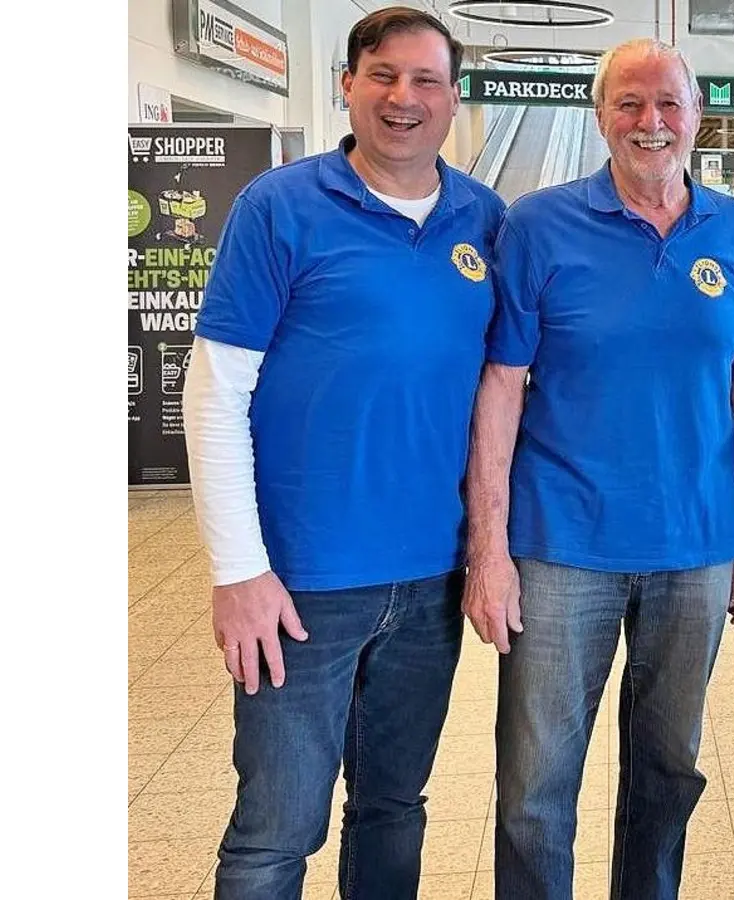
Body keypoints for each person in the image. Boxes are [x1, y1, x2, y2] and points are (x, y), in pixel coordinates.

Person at [181, 7, 505, 898]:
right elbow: (213, 392)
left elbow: (501, 392)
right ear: (348, 86)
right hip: (300, 585)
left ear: (453, 97)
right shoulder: (280, 206)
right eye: (385, 77)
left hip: (432, 579)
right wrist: (238, 568)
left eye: (427, 80)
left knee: (394, 809)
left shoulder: (484, 219)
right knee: (275, 832)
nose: (405, 98)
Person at [461, 38, 734, 900]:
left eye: (668, 104)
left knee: (668, 773)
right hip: (562, 546)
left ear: (698, 114)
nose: (651, 122)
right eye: (630, 104)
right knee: (535, 785)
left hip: (697, 547)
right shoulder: (538, 225)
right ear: (600, 116)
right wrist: (488, 552)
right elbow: (499, 389)